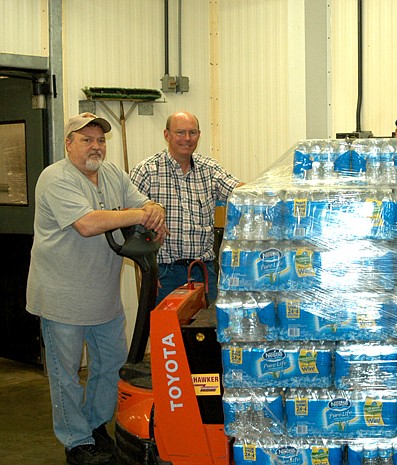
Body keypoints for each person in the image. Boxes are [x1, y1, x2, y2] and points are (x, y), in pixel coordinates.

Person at [26, 112, 167, 465]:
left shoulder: (112, 174)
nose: (96, 146)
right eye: (86, 139)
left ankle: (93, 427)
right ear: (68, 143)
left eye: (100, 139)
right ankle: (76, 442)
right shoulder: (56, 178)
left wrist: (154, 209)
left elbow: (143, 203)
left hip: (104, 296)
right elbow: (87, 224)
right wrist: (136, 215)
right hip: (62, 298)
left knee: (111, 365)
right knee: (66, 374)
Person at [130, 111, 243, 305]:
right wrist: (146, 269)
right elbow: (129, 225)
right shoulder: (146, 171)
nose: (187, 139)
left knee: (205, 333)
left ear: (199, 134)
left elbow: (238, 192)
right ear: (167, 135)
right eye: (180, 132)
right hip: (163, 273)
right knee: (167, 334)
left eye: (193, 132)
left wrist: (267, 190)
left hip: (203, 271)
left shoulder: (210, 169)